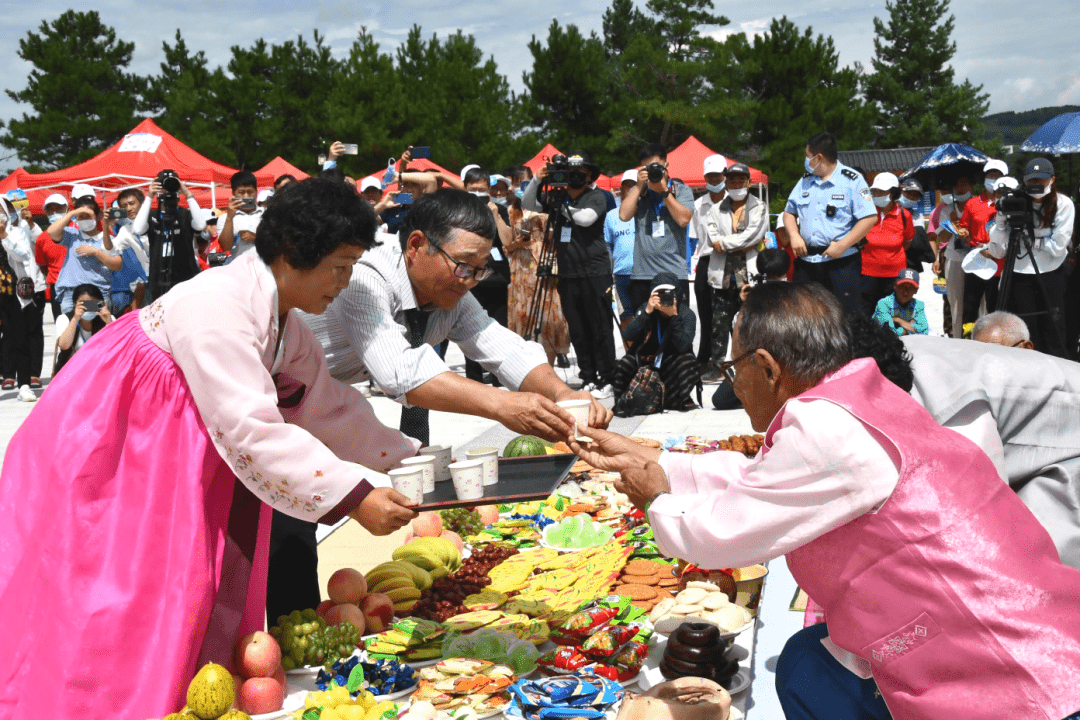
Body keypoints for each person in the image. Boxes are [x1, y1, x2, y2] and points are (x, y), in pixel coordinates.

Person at [0, 177, 422, 720]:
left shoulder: (286, 326)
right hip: (115, 446)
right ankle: (89, 702)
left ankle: (175, 694)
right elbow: (251, 428)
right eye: (340, 267)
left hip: (167, 450)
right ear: (295, 254)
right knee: (114, 585)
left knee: (187, 579)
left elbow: (324, 404)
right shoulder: (218, 305)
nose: (344, 285)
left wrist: (406, 458)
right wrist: (355, 497)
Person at [569, 281, 1080, 719]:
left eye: (732, 371)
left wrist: (656, 495)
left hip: (1015, 671)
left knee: (805, 669)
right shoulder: (859, 400)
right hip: (1035, 627)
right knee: (810, 658)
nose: (735, 387)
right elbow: (760, 478)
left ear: (767, 368)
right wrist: (656, 463)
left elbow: (721, 537)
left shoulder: (826, 426)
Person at [313, 188, 612, 443]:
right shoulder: (365, 274)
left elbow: (503, 348)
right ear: (416, 245)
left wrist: (562, 394)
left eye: (479, 270)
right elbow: (399, 371)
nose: (469, 281)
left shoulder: (450, 290)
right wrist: (502, 404)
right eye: (463, 265)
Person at [523, 151, 617, 397]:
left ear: (589, 176)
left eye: (581, 174)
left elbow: (586, 219)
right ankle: (588, 376)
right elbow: (527, 205)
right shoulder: (558, 195)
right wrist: (537, 180)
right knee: (577, 328)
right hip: (567, 272)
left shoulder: (598, 196)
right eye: (571, 173)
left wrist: (562, 207)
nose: (576, 178)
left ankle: (608, 378)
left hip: (596, 271)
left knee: (600, 327)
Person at [987, 158, 1074, 357]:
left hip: (1051, 271)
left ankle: (1057, 368)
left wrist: (1031, 241)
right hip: (1020, 271)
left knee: (1053, 326)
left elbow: (1058, 247)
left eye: (1041, 181)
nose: (1035, 186)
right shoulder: (1016, 201)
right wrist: (1000, 220)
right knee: (1026, 327)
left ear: (1052, 180)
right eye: (1031, 181)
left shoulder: (1063, 204)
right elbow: (999, 246)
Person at [783, 131, 876, 315]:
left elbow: (869, 218)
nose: (806, 161)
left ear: (819, 157)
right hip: (807, 262)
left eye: (808, 157)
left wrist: (842, 245)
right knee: (806, 319)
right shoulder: (805, 181)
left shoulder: (852, 180)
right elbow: (789, 212)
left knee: (845, 319)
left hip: (841, 263)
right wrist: (794, 235)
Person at [700, 162, 767, 382]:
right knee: (719, 323)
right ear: (725, 182)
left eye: (740, 180)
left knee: (751, 323)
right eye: (731, 180)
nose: (736, 184)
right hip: (723, 274)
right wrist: (738, 243)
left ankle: (752, 364)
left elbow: (753, 236)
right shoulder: (714, 209)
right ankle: (717, 365)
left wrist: (727, 242)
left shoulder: (759, 206)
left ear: (749, 182)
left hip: (748, 274)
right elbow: (713, 241)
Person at [619, 142, 695, 309]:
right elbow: (623, 215)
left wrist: (664, 192)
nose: (652, 171)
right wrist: (639, 186)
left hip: (674, 273)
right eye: (646, 168)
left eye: (655, 166)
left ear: (666, 165)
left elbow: (683, 219)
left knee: (675, 331)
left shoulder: (680, 190)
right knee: (645, 331)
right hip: (642, 275)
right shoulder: (640, 192)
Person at [612, 272, 699, 413]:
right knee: (624, 363)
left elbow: (683, 347)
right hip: (646, 363)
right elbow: (628, 335)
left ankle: (674, 400)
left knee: (688, 362)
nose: (664, 297)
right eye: (659, 294)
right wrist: (646, 312)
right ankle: (623, 402)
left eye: (668, 293)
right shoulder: (647, 309)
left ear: (676, 293)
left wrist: (673, 316)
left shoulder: (686, 314)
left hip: (671, 364)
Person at [461, 167, 514, 387]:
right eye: (473, 190)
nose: (479, 195)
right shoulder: (460, 209)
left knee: (499, 328)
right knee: (468, 327)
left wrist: (494, 216)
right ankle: (473, 378)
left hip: (496, 275)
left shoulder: (499, 209)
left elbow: (509, 242)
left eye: (483, 190)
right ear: (465, 188)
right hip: (470, 275)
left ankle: (498, 377)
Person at [505, 196, 571, 365]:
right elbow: (507, 245)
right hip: (519, 266)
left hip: (542, 264)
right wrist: (517, 242)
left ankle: (550, 360)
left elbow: (558, 237)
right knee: (521, 311)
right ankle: (525, 363)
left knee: (547, 311)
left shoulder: (548, 208)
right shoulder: (511, 210)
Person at [130, 172, 208, 303]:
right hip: (158, 278)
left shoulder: (185, 214)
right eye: (162, 186)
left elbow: (200, 225)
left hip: (185, 276)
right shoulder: (152, 216)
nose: (167, 190)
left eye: (171, 185)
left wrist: (188, 194)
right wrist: (149, 196)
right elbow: (137, 229)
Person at [1, 193, 47, 397]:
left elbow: (23, 255)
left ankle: (24, 385)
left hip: (13, 292)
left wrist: (3, 236)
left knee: (21, 337)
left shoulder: (16, 232)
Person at [46, 194, 122, 313]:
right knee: (70, 328)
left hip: (96, 294)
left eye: (88, 216)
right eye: (81, 217)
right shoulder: (72, 234)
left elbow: (117, 265)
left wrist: (96, 252)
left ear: (98, 216)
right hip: (71, 295)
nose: (84, 219)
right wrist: (72, 213)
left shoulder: (107, 239)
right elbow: (51, 231)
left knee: (93, 328)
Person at [690, 154, 727, 371]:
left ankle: (723, 359)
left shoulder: (734, 203)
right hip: (705, 261)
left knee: (724, 314)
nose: (714, 181)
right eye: (710, 177)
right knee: (705, 313)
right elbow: (696, 237)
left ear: (724, 175)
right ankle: (704, 357)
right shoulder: (698, 205)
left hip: (728, 260)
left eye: (718, 176)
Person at [929, 174, 978, 337]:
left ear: (972, 186)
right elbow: (941, 237)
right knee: (956, 303)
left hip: (978, 260)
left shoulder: (978, 206)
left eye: (964, 184)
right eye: (957, 185)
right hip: (955, 259)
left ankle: (980, 338)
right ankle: (958, 337)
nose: (960, 188)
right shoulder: (947, 210)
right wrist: (952, 225)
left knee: (980, 303)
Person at [860, 172, 914, 314]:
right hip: (867, 273)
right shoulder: (866, 213)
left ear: (892, 193)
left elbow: (907, 242)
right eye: (875, 191)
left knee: (890, 313)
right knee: (866, 312)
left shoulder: (904, 215)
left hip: (894, 274)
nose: (877, 194)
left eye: (882, 191)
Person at [52, 282, 113, 374]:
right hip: (71, 372)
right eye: (84, 304)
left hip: (100, 370)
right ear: (75, 304)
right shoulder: (64, 319)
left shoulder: (109, 319)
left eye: (92, 304)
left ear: (101, 303)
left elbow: (118, 346)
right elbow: (64, 346)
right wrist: (75, 319)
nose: (88, 308)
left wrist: (109, 322)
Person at [605, 169, 638, 323]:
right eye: (627, 185)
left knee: (645, 318)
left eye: (634, 185)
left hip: (644, 274)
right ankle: (629, 348)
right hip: (621, 274)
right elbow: (608, 247)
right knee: (626, 318)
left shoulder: (647, 210)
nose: (630, 188)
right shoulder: (611, 215)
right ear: (621, 188)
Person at [34, 193, 70, 319]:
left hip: (84, 286)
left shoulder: (78, 231)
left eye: (58, 208)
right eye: (50, 209)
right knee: (62, 325)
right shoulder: (42, 239)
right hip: (58, 289)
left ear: (67, 209)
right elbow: (43, 266)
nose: (54, 212)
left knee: (90, 325)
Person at [217, 170, 262, 258]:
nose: (246, 196)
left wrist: (256, 238)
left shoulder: (266, 214)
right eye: (241, 192)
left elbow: (278, 242)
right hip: (239, 269)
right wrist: (230, 217)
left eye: (250, 192)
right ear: (233, 193)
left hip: (265, 268)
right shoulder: (224, 218)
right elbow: (226, 247)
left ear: (256, 191)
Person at [871, 268, 927, 336]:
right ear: (895, 286)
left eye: (910, 287)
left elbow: (924, 331)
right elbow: (888, 332)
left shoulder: (918, 305)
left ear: (916, 290)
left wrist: (897, 320)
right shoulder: (884, 304)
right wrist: (909, 328)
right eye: (902, 286)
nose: (906, 291)